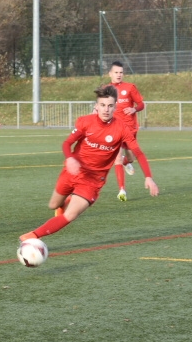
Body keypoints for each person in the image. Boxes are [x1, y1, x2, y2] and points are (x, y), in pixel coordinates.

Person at [19, 84, 158, 243]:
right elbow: (67, 143)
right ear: (96, 106)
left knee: (70, 215)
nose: (106, 109)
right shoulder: (85, 122)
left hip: (93, 181)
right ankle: (66, 201)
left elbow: (138, 153)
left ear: (115, 107)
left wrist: (148, 177)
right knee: (53, 205)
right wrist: (70, 158)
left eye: (110, 106)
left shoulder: (121, 129)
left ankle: (31, 236)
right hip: (72, 171)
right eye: (103, 105)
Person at [104, 61, 146, 201]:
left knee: (131, 157)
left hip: (130, 128)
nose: (119, 75)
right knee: (116, 158)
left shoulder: (129, 88)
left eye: (121, 72)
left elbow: (141, 104)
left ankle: (126, 162)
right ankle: (122, 190)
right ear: (110, 74)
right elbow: (102, 106)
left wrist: (134, 109)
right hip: (114, 128)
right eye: (116, 72)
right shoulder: (106, 89)